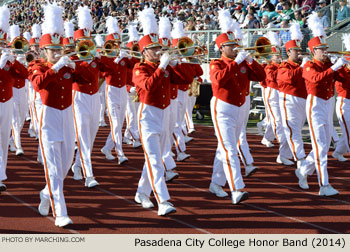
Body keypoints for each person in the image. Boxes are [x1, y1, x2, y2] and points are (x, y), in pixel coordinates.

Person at [28, 2, 94, 227]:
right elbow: (38, 84)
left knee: (65, 164)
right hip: (49, 117)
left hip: (67, 117)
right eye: (52, 50)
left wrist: (79, 65)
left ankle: (46, 193)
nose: (57, 53)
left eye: (59, 49)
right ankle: (60, 213)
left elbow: (90, 81)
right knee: (54, 168)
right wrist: (55, 68)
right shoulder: (37, 65)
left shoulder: (69, 66)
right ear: (44, 51)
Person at [132, 8, 194, 216]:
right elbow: (148, 85)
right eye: (153, 48)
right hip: (149, 116)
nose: (158, 51)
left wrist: (176, 64)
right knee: (154, 160)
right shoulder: (139, 69)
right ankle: (163, 200)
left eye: (159, 47)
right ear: (144, 52)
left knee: (154, 158)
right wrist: (163, 66)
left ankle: (142, 192)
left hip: (165, 114)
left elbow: (186, 79)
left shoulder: (165, 67)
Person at [209, 9, 266, 204]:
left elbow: (261, 77)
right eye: (230, 46)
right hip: (223, 107)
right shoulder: (216, 63)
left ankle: (216, 183)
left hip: (241, 107)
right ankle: (236, 188)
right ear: (221, 48)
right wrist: (238, 62)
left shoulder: (242, 63)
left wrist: (251, 60)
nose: (235, 48)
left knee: (225, 147)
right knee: (230, 150)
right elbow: (218, 80)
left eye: (235, 45)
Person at [298, 12, 349, 196]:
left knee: (325, 145)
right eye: (322, 49)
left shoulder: (328, 63)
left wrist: (342, 66)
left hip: (328, 104)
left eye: (325, 48)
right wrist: (334, 67)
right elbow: (316, 79)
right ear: (313, 51)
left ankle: (303, 170)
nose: (325, 51)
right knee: (320, 146)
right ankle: (324, 185)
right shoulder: (309, 66)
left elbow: (341, 78)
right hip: (316, 105)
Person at [0, 5, 28, 192]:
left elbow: (24, 75)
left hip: (7, 100)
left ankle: (1, 173)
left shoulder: (9, 59)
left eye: (3, 44)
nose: (2, 47)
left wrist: (17, 60)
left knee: (3, 139)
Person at [277, 22, 308, 183]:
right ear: (289, 52)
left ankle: (283, 155)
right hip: (289, 100)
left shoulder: (300, 65)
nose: (299, 53)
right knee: (294, 132)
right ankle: (301, 161)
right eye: (296, 51)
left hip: (302, 100)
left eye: (299, 50)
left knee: (292, 130)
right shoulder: (284, 65)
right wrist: (302, 67)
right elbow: (287, 78)